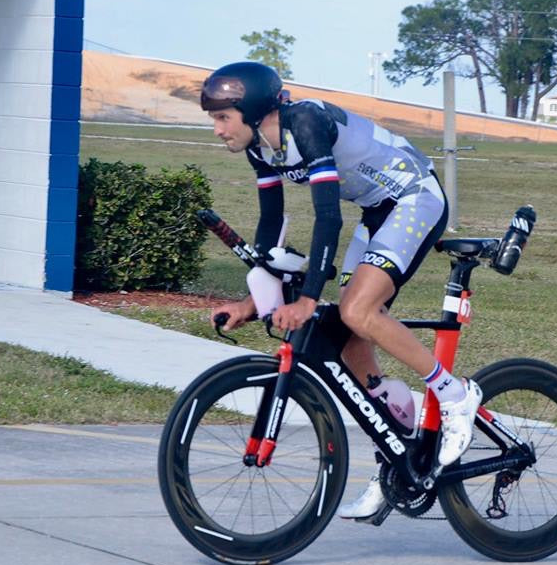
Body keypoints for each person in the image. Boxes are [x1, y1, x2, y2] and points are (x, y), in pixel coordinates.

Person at [203, 62, 482, 521]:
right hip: (377, 212)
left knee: (357, 311)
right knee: (351, 345)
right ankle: (399, 459)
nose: (216, 129)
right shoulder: (261, 148)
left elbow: (328, 218)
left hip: (414, 197)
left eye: (221, 117)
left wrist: (308, 298)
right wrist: (251, 301)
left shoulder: (306, 122)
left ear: (250, 113)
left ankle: (454, 395)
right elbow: (270, 230)